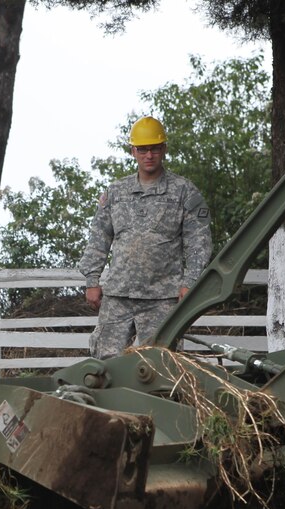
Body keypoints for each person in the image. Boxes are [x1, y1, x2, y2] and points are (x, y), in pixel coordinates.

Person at [78, 115, 213, 359]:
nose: (148, 155)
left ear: (164, 149)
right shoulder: (115, 192)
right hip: (118, 295)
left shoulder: (184, 191)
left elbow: (198, 242)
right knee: (104, 364)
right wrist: (92, 280)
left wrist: (190, 282)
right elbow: (99, 238)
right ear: (133, 151)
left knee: (161, 365)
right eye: (142, 149)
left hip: (162, 299)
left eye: (154, 149)